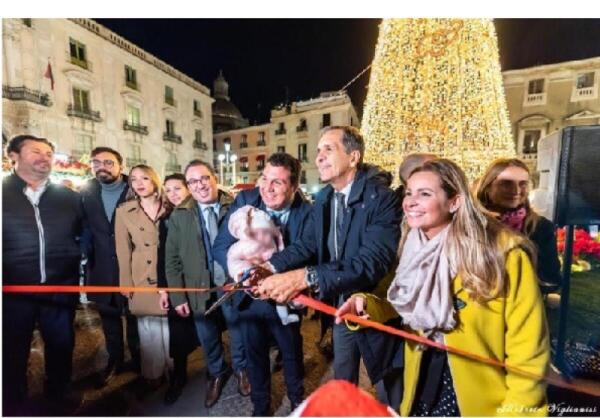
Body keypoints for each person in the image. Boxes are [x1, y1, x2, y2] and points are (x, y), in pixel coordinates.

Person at [336, 158, 550, 416]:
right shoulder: (411, 246)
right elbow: (399, 298)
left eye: (424, 194)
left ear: (455, 201)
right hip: (420, 385)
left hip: (479, 398)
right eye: (409, 192)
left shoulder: (503, 255)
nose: (410, 202)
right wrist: (366, 304)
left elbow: (529, 353)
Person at [257, 126, 402, 389]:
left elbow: (372, 262)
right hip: (338, 307)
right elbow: (307, 245)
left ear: (354, 157)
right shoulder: (324, 199)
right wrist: (268, 266)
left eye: (328, 149)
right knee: (343, 382)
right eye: (317, 151)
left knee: (387, 388)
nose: (318, 157)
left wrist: (307, 276)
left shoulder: (381, 199)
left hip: (373, 308)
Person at [213, 152, 313, 416]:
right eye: (264, 178)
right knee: (254, 355)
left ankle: (297, 402)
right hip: (249, 297)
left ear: (293, 187)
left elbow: (309, 250)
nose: (267, 189)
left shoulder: (308, 212)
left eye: (277, 183)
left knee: (291, 355)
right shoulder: (245, 201)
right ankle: (260, 406)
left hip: (286, 297)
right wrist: (242, 273)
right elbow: (221, 245)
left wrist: (270, 272)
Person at [2, 135, 83, 415]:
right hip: (12, 292)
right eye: (36, 151)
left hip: (61, 288)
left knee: (61, 344)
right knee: (12, 349)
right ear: (13, 155)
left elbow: (84, 234)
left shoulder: (69, 197)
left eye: (49, 153)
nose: (44, 157)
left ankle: (59, 394)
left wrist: (75, 256)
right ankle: (12, 401)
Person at [164, 160, 250, 409]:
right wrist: (178, 297)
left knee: (237, 330)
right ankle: (216, 372)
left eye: (204, 178)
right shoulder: (180, 214)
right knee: (207, 334)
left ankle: (241, 368)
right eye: (192, 181)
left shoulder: (236, 206)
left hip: (232, 286)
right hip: (198, 288)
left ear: (214, 177)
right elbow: (172, 259)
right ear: (188, 186)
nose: (199, 185)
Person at [80, 147, 140, 387]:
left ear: (120, 166)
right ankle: (114, 360)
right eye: (96, 163)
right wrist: (83, 249)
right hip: (102, 269)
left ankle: (139, 361)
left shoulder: (134, 189)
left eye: (108, 162)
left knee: (136, 321)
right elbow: (84, 226)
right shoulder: (86, 192)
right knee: (109, 322)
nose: (101, 167)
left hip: (134, 270)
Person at [115, 165, 172, 390]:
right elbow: (122, 249)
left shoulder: (171, 207)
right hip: (141, 275)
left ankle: (173, 370)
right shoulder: (124, 211)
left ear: (155, 181)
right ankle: (152, 374)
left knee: (171, 326)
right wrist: (125, 282)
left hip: (168, 274)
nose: (139, 183)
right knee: (147, 327)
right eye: (134, 180)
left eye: (145, 178)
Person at [475, 158, 561, 291]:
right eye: (506, 184)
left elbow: (551, 279)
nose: (516, 190)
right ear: (487, 186)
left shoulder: (542, 227)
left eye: (523, 184)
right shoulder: (471, 223)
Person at [157, 173, 201, 405]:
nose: (173, 194)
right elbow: (163, 255)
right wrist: (164, 288)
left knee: (208, 325)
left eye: (177, 188)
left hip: (199, 280)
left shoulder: (197, 212)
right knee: (179, 332)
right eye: (168, 190)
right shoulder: (166, 217)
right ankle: (180, 376)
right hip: (176, 281)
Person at [226, 205, 298, 325]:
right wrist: (247, 272)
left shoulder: (273, 238)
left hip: (276, 276)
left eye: (266, 233)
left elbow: (282, 250)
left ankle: (288, 311)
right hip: (255, 285)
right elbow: (233, 261)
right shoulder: (241, 246)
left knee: (281, 295)